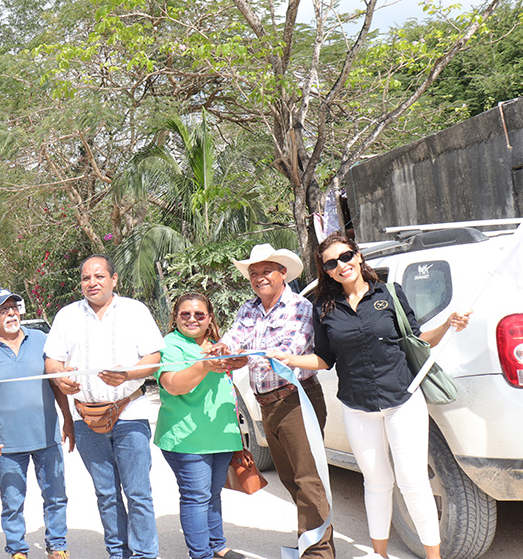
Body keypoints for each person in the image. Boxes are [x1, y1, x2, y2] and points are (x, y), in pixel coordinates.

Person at [269, 233, 471, 559]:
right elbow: (325, 359)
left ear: (358, 255)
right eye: (331, 263)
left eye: (345, 256)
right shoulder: (324, 307)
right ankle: (380, 555)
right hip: (357, 406)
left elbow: (418, 338)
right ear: (326, 271)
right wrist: (290, 359)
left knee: (413, 482)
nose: (341, 265)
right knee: (376, 483)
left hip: (402, 400)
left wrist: (448, 324)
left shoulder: (389, 293)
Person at [213, 243, 334, 559]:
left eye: (266, 271)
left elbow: (287, 353)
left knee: (308, 480)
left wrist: (241, 357)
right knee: (291, 479)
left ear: (283, 273)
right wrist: (223, 351)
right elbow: (235, 339)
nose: (259, 278)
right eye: (254, 273)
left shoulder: (299, 307)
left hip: (297, 400)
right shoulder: (249, 308)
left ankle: (319, 553)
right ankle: (310, 541)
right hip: (267, 404)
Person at [44, 254, 164, 559]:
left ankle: (144, 554)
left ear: (114, 279)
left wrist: (128, 374)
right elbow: (52, 361)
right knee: (106, 494)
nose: (92, 283)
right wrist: (60, 379)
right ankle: (118, 553)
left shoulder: (135, 311)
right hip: (87, 419)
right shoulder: (67, 316)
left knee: (138, 493)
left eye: (99, 276)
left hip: (130, 414)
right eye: (86, 278)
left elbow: (154, 358)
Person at [0, 288, 72, 559]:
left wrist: (68, 419)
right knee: (12, 502)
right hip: (7, 444)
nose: (11, 313)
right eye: (2, 310)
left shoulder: (41, 340)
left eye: (14, 307)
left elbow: (56, 383)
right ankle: (17, 549)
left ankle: (57, 546)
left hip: (47, 437)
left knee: (56, 496)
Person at [155, 292, 245, 559]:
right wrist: (204, 365)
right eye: (185, 314)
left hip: (220, 435)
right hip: (186, 437)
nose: (192, 319)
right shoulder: (169, 345)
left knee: (213, 494)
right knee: (196, 496)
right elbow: (173, 385)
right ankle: (200, 554)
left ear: (209, 318)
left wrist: (239, 360)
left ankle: (217, 545)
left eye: (199, 314)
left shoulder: (218, 345)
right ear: (175, 317)